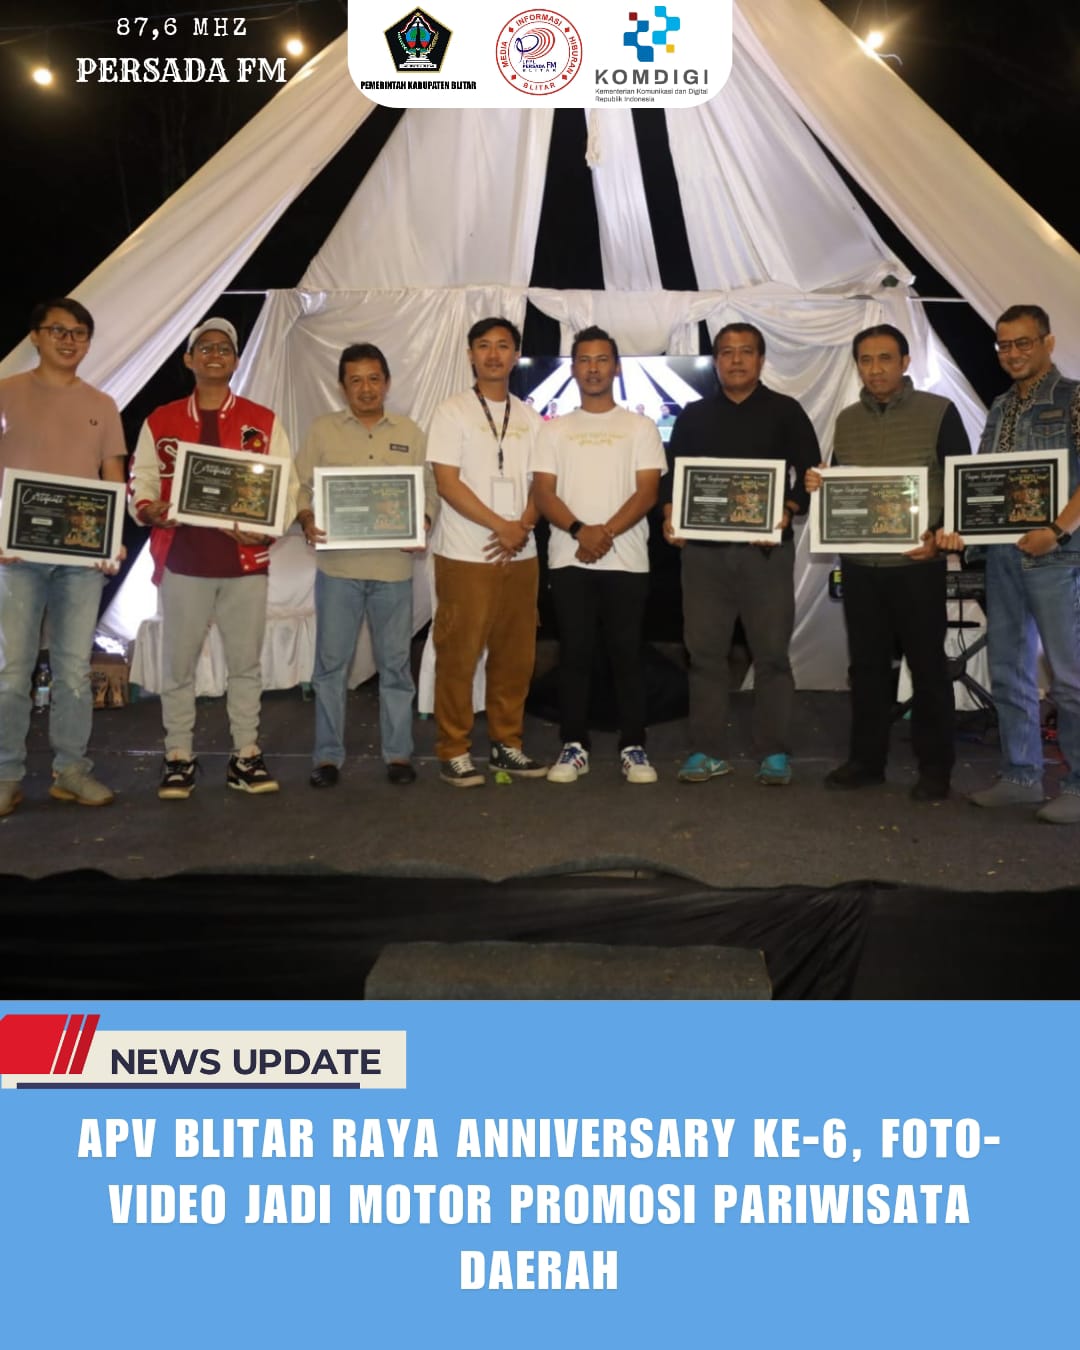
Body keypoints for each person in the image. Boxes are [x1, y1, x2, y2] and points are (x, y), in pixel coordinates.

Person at [129, 317, 295, 799]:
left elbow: (285, 487)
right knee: (178, 666)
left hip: (244, 564)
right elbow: (142, 479)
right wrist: (148, 508)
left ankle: (246, 754)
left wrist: (267, 525)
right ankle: (178, 755)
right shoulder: (160, 419)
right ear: (188, 359)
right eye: (205, 347)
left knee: (245, 665)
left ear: (237, 360)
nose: (215, 354)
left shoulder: (262, 420)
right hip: (183, 561)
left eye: (225, 347)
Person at [808, 324, 970, 801]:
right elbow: (845, 487)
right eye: (866, 359)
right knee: (866, 668)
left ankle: (935, 769)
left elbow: (959, 483)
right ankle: (867, 762)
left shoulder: (938, 411)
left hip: (917, 563)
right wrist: (823, 485)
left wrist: (939, 537)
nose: (875, 369)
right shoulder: (847, 420)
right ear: (857, 365)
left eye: (884, 358)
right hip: (861, 566)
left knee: (928, 667)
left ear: (904, 362)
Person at [937, 305, 1080, 823]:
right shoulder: (1000, 405)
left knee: (1069, 677)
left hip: (1056, 556)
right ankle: (1021, 775)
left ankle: (1079, 785)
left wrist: (1058, 530)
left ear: (1048, 342)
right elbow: (985, 482)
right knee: (1008, 670)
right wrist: (961, 526)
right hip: (1001, 555)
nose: (1013, 353)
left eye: (1023, 342)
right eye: (1004, 345)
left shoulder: (1073, 398)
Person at [661, 322, 819, 786]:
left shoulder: (786, 411)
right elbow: (673, 476)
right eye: (727, 352)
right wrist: (670, 513)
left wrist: (787, 510)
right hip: (703, 556)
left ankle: (774, 752)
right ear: (716, 361)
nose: (736, 360)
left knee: (772, 655)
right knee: (704, 656)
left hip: (765, 555)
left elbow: (811, 476)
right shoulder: (693, 415)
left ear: (761, 359)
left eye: (745, 351)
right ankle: (706, 750)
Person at [0, 297, 127, 817]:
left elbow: (113, 479)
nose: (69, 340)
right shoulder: (5, 393)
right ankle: (6, 774)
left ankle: (71, 771)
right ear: (35, 335)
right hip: (15, 559)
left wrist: (111, 539)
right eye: (58, 330)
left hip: (81, 561)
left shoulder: (103, 404)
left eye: (79, 332)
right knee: (12, 670)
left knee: (73, 671)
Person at [295, 342, 436, 788]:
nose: (366, 388)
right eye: (355, 380)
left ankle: (398, 754)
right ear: (342, 386)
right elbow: (298, 486)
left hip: (393, 571)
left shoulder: (410, 432)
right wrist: (306, 517)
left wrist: (423, 520)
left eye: (374, 378)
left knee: (395, 667)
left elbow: (428, 490)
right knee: (330, 668)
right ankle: (327, 757)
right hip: (338, 570)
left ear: (387, 382)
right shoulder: (323, 431)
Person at [532, 326, 667, 784]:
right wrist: (579, 531)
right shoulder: (554, 429)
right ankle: (574, 745)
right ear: (573, 369)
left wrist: (604, 533)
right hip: (569, 559)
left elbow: (647, 492)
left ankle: (633, 746)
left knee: (628, 655)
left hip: (626, 561)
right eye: (585, 360)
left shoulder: (640, 426)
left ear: (616, 368)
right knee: (574, 656)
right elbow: (543, 493)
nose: (593, 369)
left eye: (602, 360)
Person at [426, 316, 547, 787]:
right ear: (470, 354)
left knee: (516, 656)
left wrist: (523, 526)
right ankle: (454, 748)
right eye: (483, 345)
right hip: (465, 554)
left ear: (516, 355)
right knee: (458, 654)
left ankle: (506, 743)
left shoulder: (531, 417)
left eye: (503, 346)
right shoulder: (451, 412)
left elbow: (543, 483)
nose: (493, 354)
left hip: (521, 554)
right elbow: (447, 482)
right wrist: (502, 526)